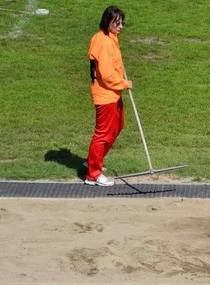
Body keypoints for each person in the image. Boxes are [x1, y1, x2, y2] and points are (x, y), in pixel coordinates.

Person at [84, 6, 132, 186]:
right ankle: (93, 174)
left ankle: (94, 160)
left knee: (117, 126)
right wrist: (124, 83)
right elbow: (106, 74)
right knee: (102, 134)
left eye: (122, 23)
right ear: (107, 22)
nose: (120, 27)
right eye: (116, 23)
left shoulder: (110, 38)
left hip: (113, 93)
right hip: (106, 94)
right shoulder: (103, 42)